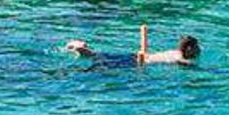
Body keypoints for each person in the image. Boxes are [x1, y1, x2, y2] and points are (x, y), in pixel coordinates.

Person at [65, 26, 200, 67]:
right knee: (104, 65)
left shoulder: (175, 52)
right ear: (189, 49)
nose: (199, 49)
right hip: (136, 62)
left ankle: (82, 49)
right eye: (196, 47)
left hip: (136, 56)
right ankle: (82, 50)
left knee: (101, 57)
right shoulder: (182, 60)